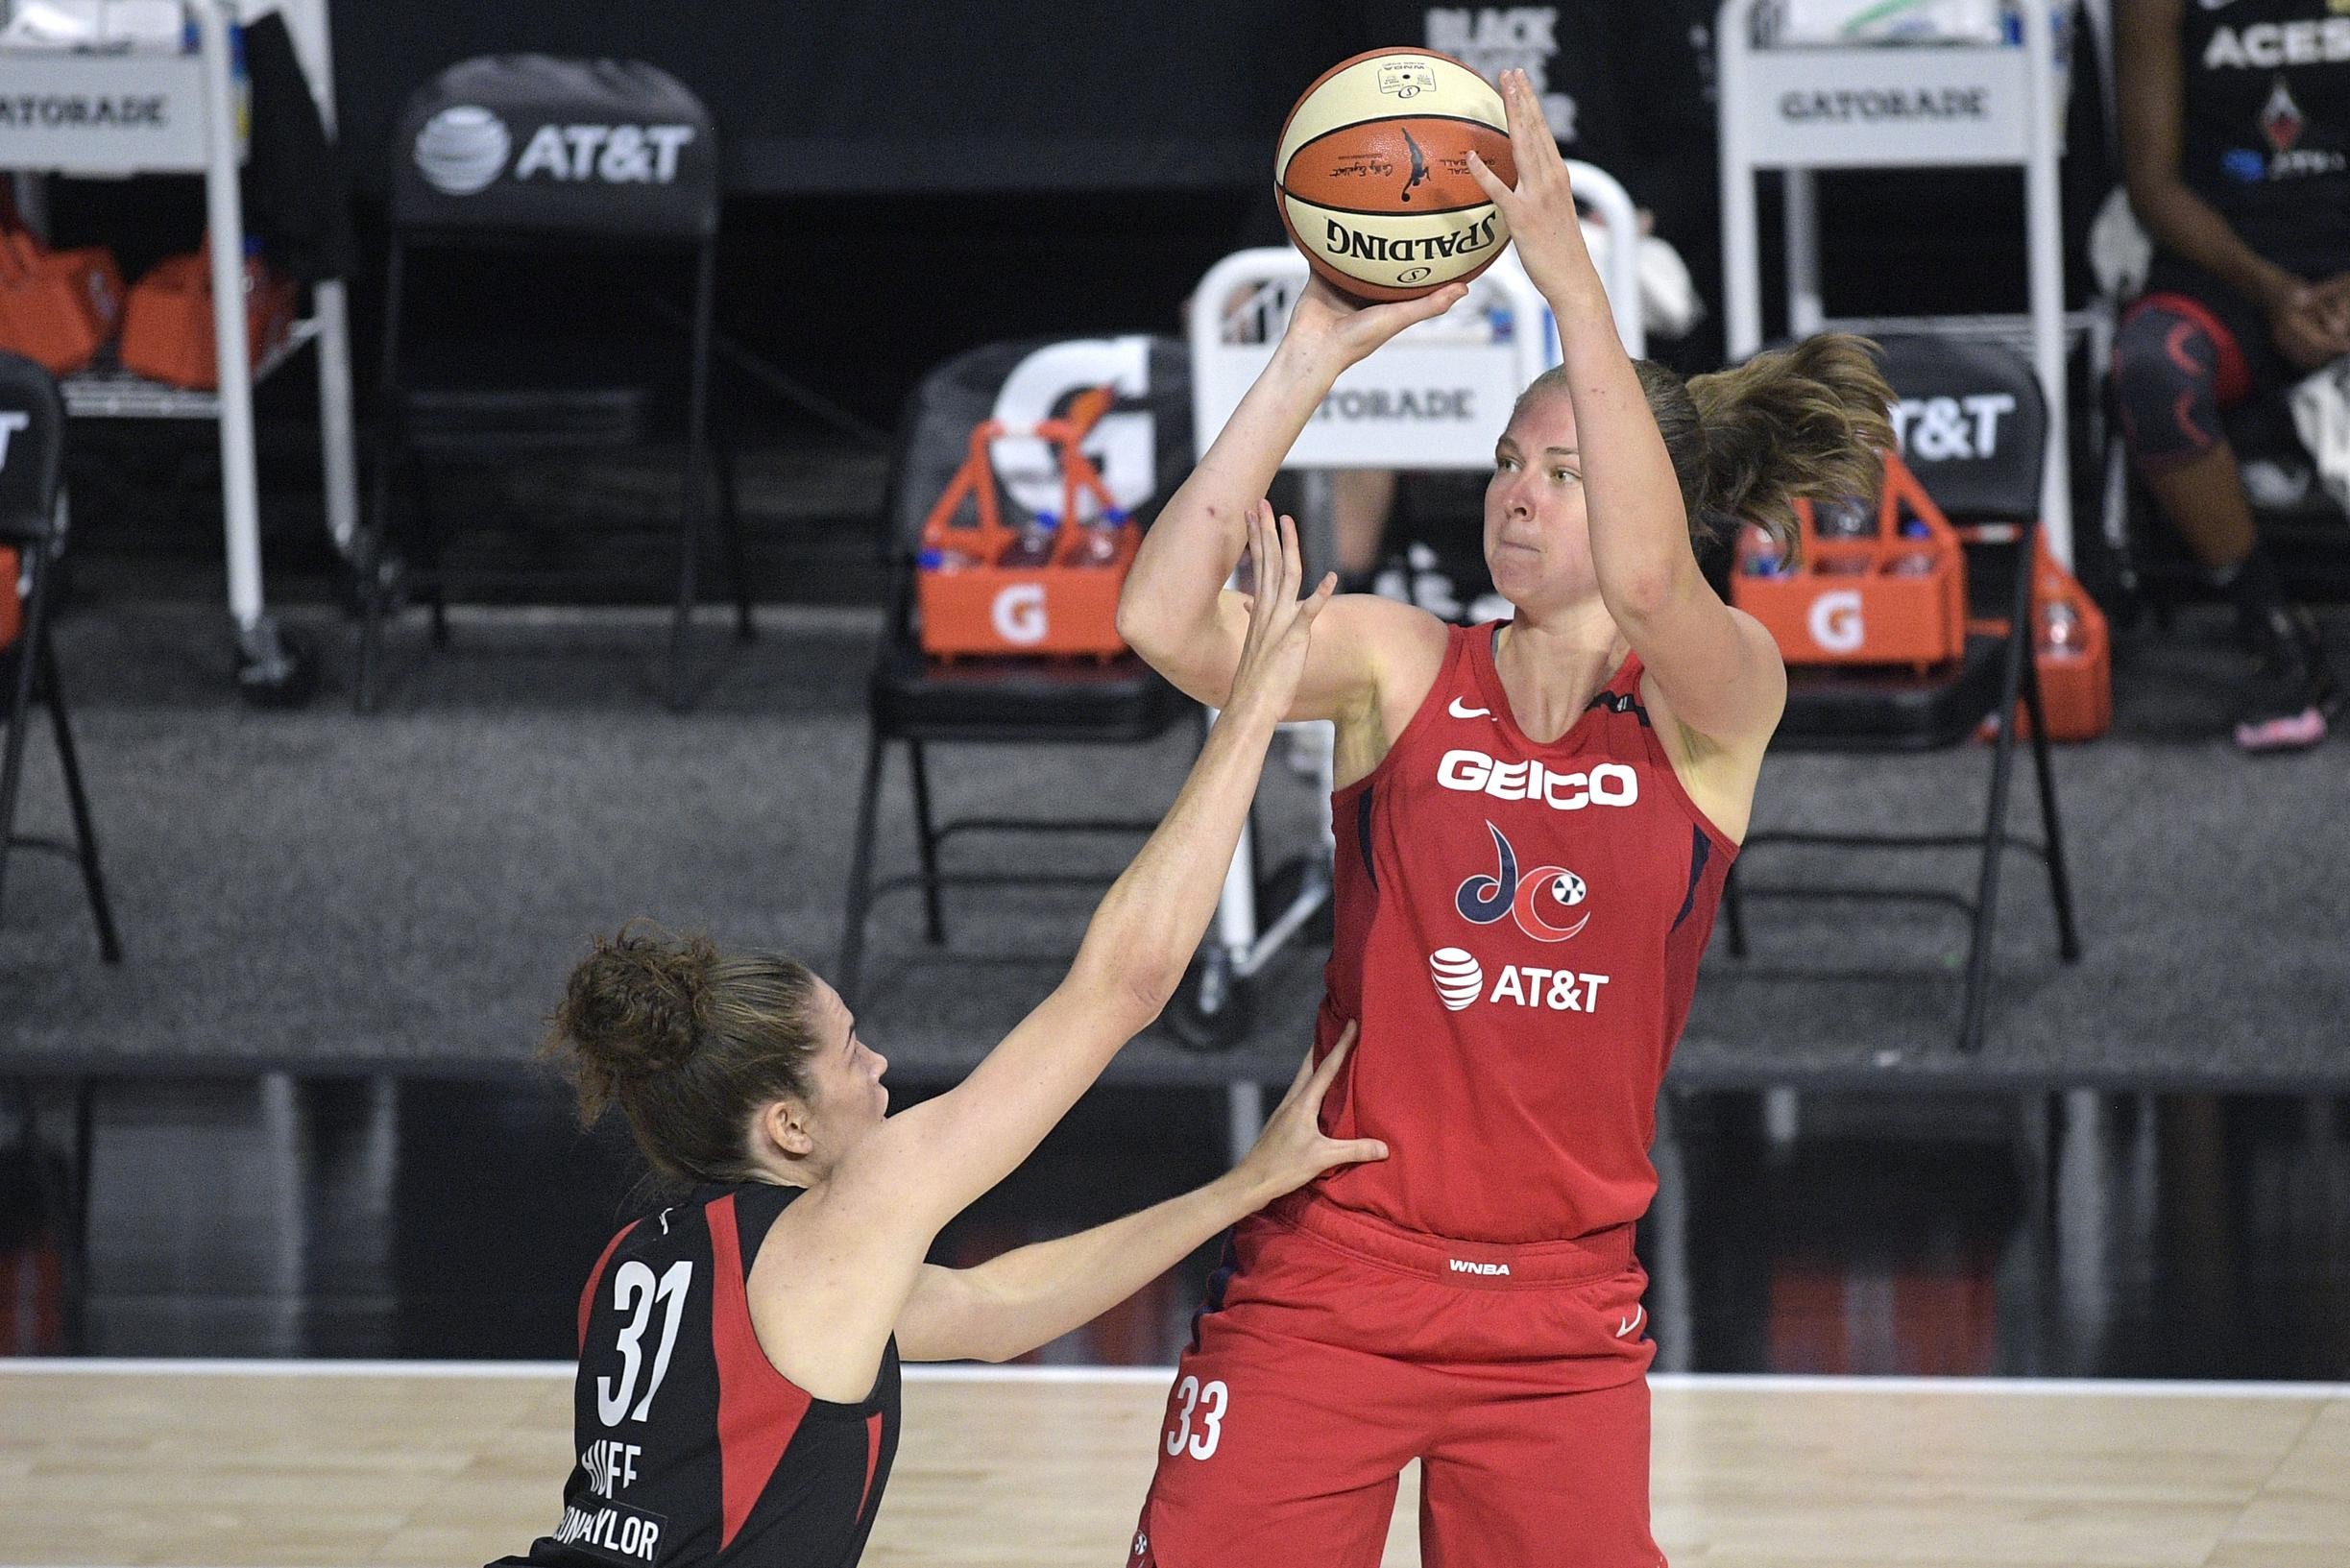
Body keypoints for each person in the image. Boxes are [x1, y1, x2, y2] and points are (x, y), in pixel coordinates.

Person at [1114, 69, 1891, 1566]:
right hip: (1334, 1273)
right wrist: (1306, 353)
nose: (1518, 499)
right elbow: (1160, 618)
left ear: (1649, 493)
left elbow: (1660, 592)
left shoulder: (1716, 703)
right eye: (1504, 467)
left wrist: (1569, 287)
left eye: (1564, 471)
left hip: (1558, 1312)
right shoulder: (1401, 666)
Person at [490, 511, 1391, 1568]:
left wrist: (1239, 1189)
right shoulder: (832, 1230)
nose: (879, 1072)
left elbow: (993, 1309)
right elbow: (1121, 989)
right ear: (785, 1124)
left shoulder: (641, 1265)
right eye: (849, 1052)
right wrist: (1253, 710)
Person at [2115, 0, 2350, 751]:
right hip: (2227, 272)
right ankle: (2274, 634)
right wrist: (2271, 288)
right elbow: (2151, 185)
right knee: (2153, 367)